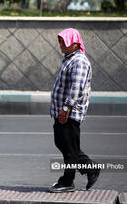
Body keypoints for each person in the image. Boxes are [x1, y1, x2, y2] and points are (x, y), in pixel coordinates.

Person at [48, 28, 100, 193]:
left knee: (70, 148)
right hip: (62, 111)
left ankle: (67, 181)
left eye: (64, 41)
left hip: (69, 112)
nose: (61, 45)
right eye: (60, 41)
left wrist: (65, 108)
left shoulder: (79, 61)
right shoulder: (69, 59)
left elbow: (75, 88)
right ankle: (90, 168)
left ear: (75, 43)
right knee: (64, 143)